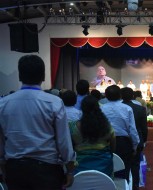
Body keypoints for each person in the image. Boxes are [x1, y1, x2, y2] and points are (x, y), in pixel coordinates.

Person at [0, 55, 76, 189]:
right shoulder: (54, 102)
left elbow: (1, 141)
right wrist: (69, 169)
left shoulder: (3, 103)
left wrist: (3, 166)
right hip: (47, 171)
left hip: (15, 169)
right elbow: (63, 141)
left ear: (20, 76)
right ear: (43, 76)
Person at [69, 95, 116, 177]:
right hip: (104, 167)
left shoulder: (72, 126)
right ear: (98, 107)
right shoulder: (107, 126)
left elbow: (69, 148)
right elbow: (113, 147)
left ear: (82, 108)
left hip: (79, 167)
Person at [101, 85, 140, 183]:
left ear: (106, 96)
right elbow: (132, 130)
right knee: (124, 170)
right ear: (120, 95)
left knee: (106, 171)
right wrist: (135, 146)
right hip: (123, 143)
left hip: (105, 142)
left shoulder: (101, 108)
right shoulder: (127, 109)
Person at [121, 87, 148, 190]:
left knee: (121, 165)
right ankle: (135, 186)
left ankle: (123, 185)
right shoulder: (140, 109)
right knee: (135, 165)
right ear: (133, 96)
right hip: (137, 140)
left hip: (120, 141)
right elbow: (144, 128)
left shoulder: (117, 108)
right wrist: (144, 140)